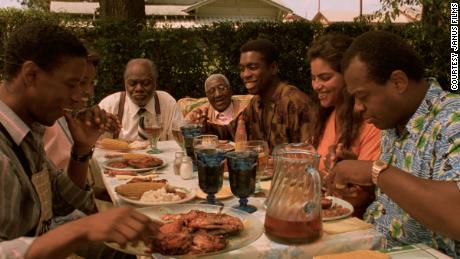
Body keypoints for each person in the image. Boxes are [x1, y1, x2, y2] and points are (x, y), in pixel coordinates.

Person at [0, 22, 159, 259]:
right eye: (72, 84)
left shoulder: (27, 130)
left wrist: (81, 148)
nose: (78, 98)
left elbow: (63, 203)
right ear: (31, 74)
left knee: (146, 248)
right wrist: (82, 229)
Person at [326, 30, 460, 257]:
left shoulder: (452, 119)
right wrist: (363, 185)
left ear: (398, 82)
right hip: (373, 245)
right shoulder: (394, 121)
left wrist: (375, 171)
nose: (358, 107)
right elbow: (402, 201)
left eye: (363, 96)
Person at [188, 39, 313, 150]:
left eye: (252, 67)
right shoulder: (256, 103)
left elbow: (309, 156)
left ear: (273, 67)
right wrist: (204, 126)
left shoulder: (296, 103)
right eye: (242, 69)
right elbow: (230, 131)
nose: (245, 74)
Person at [308, 33, 381, 217]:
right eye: (314, 78)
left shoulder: (372, 122)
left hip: (352, 223)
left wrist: (347, 170)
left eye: (325, 77)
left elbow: (364, 196)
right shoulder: (326, 116)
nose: (316, 85)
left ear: (349, 77)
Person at [99, 58, 183, 141]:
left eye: (146, 83)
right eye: (132, 83)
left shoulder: (167, 103)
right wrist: (100, 128)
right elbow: (96, 147)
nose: (139, 88)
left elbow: (177, 144)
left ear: (155, 82)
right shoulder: (109, 105)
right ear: (125, 83)